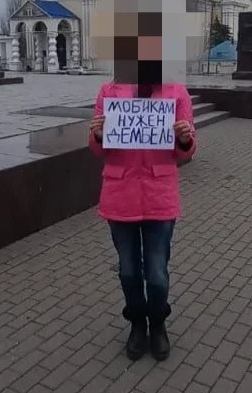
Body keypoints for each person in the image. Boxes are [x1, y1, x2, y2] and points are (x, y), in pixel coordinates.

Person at [88, 20, 196, 362]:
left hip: (159, 194)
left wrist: (184, 137)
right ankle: (136, 323)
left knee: (157, 271)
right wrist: (98, 133)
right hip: (119, 193)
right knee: (128, 270)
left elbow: (186, 151)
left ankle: (158, 323)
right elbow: (97, 150)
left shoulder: (176, 92)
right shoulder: (110, 91)